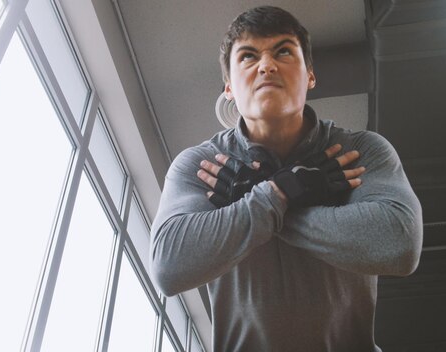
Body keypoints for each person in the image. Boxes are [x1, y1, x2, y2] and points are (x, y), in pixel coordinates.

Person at [150, 6, 423, 351]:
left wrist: (262, 197)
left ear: (310, 75)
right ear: (229, 87)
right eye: (248, 57)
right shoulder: (200, 164)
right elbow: (170, 265)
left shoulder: (360, 149)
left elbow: (398, 244)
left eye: (283, 51)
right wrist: (284, 191)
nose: (266, 65)